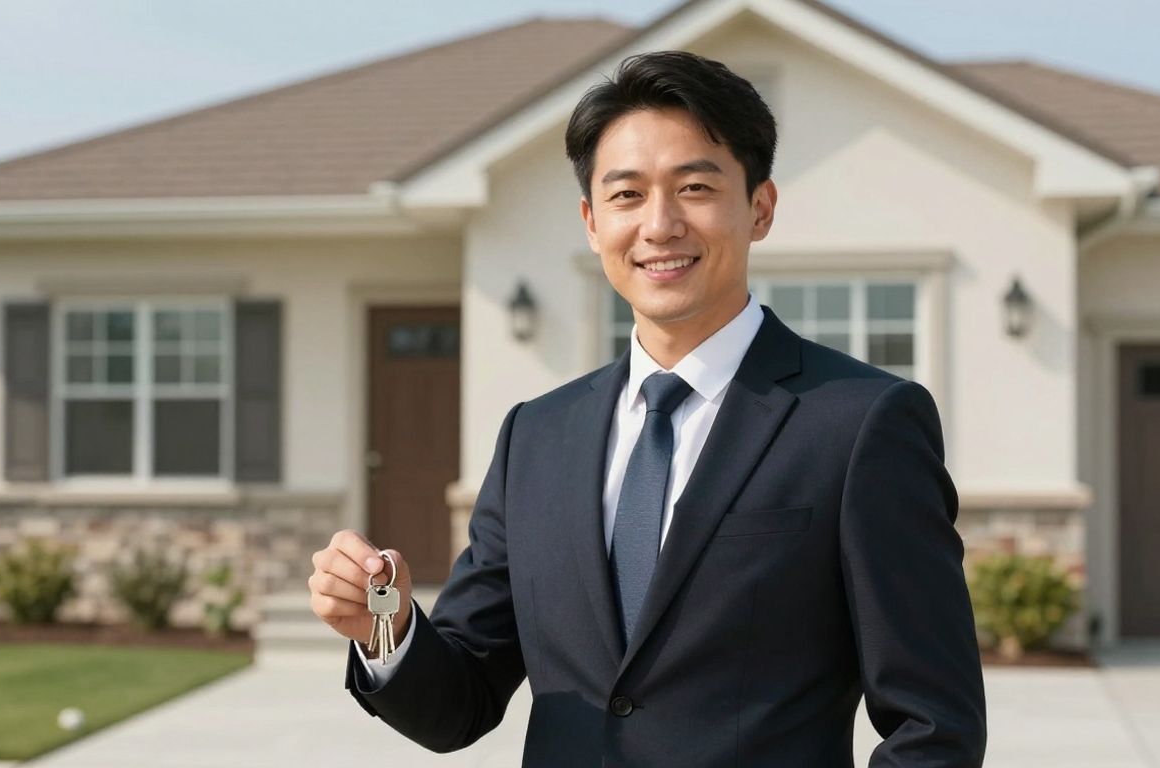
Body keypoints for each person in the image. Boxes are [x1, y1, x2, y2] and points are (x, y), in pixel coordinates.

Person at [309, 50, 987, 767]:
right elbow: (462, 701)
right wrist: (384, 625)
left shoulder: (861, 424)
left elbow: (933, 726)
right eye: (627, 195)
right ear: (592, 221)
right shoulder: (536, 438)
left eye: (695, 186)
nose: (659, 226)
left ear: (759, 207)